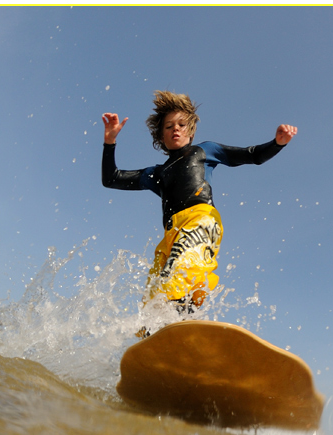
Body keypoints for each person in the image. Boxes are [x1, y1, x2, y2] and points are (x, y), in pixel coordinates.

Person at [101, 90, 297, 312]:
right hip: (171, 234)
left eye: (182, 125)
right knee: (153, 298)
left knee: (174, 281)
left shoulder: (204, 151)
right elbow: (111, 179)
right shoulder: (156, 173)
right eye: (169, 126)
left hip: (201, 222)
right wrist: (110, 141)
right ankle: (169, 325)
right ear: (160, 136)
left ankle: (183, 308)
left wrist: (277, 143)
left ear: (191, 131)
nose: (175, 128)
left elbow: (252, 155)